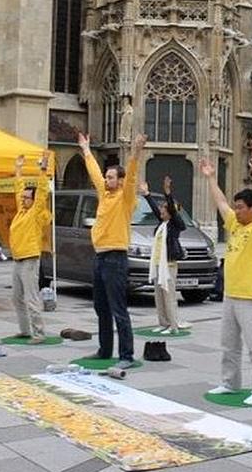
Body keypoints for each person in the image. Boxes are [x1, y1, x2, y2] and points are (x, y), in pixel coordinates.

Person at [202, 144, 252, 405]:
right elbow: (220, 202)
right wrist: (210, 178)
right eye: (237, 207)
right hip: (230, 295)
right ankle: (230, 383)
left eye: (242, 207)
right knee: (229, 344)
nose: (237, 210)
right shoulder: (234, 223)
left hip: (250, 297)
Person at [78, 131, 147, 370]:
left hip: (116, 257)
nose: (107, 180)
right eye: (106, 177)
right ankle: (105, 349)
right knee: (101, 306)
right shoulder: (104, 194)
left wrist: (136, 152)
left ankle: (126, 355)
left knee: (118, 308)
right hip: (100, 256)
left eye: (111, 177)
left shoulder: (125, 198)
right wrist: (86, 149)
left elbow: (131, 178)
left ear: (119, 180)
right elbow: (94, 174)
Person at [9, 155, 52, 343]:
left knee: (31, 297)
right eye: (24, 198)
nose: (24, 199)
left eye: (28, 198)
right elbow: (19, 189)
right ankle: (25, 330)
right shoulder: (22, 210)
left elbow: (42, 192)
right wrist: (18, 170)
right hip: (18, 259)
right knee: (17, 297)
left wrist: (42, 170)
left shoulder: (35, 211)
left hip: (30, 258)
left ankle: (39, 333)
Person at [141, 176, 187, 335]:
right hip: (158, 265)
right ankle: (163, 322)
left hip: (169, 264)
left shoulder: (175, 226)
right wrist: (147, 195)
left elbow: (174, 212)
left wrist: (168, 193)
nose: (160, 212)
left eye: (163, 210)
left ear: (170, 213)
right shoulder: (162, 225)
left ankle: (173, 325)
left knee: (169, 295)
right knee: (159, 296)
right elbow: (155, 209)